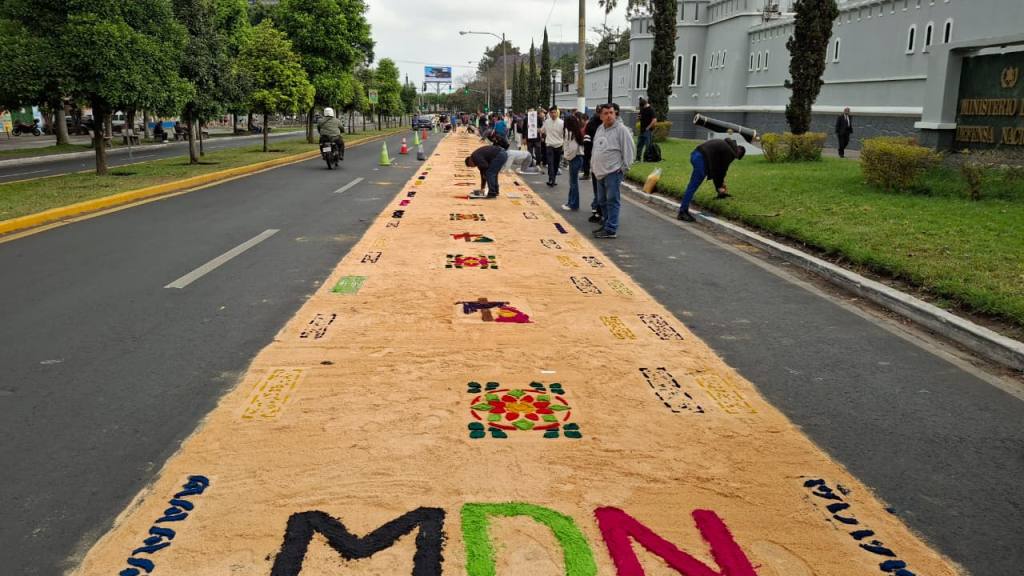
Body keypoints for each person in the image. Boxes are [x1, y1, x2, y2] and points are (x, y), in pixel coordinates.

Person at [591, 104, 635, 239]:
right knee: (601, 200)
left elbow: (629, 150)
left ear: (615, 114)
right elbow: (596, 148)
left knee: (612, 200)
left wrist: (624, 168)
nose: (609, 115)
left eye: (611, 112)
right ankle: (606, 223)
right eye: (606, 113)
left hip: (613, 171)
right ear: (601, 116)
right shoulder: (600, 129)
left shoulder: (621, 130)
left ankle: (611, 228)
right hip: (600, 172)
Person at [676, 138, 746, 222]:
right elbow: (721, 171)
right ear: (737, 154)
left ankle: (683, 210)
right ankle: (682, 212)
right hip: (701, 159)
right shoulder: (730, 153)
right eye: (735, 158)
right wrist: (720, 187)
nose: (733, 159)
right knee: (692, 186)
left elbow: (716, 170)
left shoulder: (726, 144)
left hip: (696, 154)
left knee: (693, 185)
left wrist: (719, 186)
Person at [583, 105, 604, 222]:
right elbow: (587, 143)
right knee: (598, 188)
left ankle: (599, 209)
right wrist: (587, 161)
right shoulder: (592, 124)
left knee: (601, 189)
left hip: (603, 161)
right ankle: (598, 209)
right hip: (595, 160)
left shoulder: (607, 126)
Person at [562, 114, 585, 211]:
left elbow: (572, 149)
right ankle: (571, 202)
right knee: (573, 182)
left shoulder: (571, 133)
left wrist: (567, 157)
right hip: (577, 158)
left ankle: (573, 204)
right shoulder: (577, 132)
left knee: (573, 183)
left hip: (574, 158)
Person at [541, 106, 564, 187]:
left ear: (557, 113)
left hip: (559, 145)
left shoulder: (562, 123)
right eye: (552, 113)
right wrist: (533, 129)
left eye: (555, 112)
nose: (553, 114)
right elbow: (542, 130)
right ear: (549, 114)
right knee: (550, 163)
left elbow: (565, 134)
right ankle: (551, 179)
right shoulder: (547, 122)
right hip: (549, 145)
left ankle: (553, 178)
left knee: (556, 164)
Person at [635, 97, 657, 162]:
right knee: (639, 145)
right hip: (642, 130)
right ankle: (638, 159)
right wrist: (638, 118)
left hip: (648, 131)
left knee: (648, 146)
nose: (642, 108)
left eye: (643, 106)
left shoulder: (651, 109)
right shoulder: (642, 109)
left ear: (645, 104)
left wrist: (648, 127)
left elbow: (654, 120)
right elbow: (639, 117)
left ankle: (646, 159)